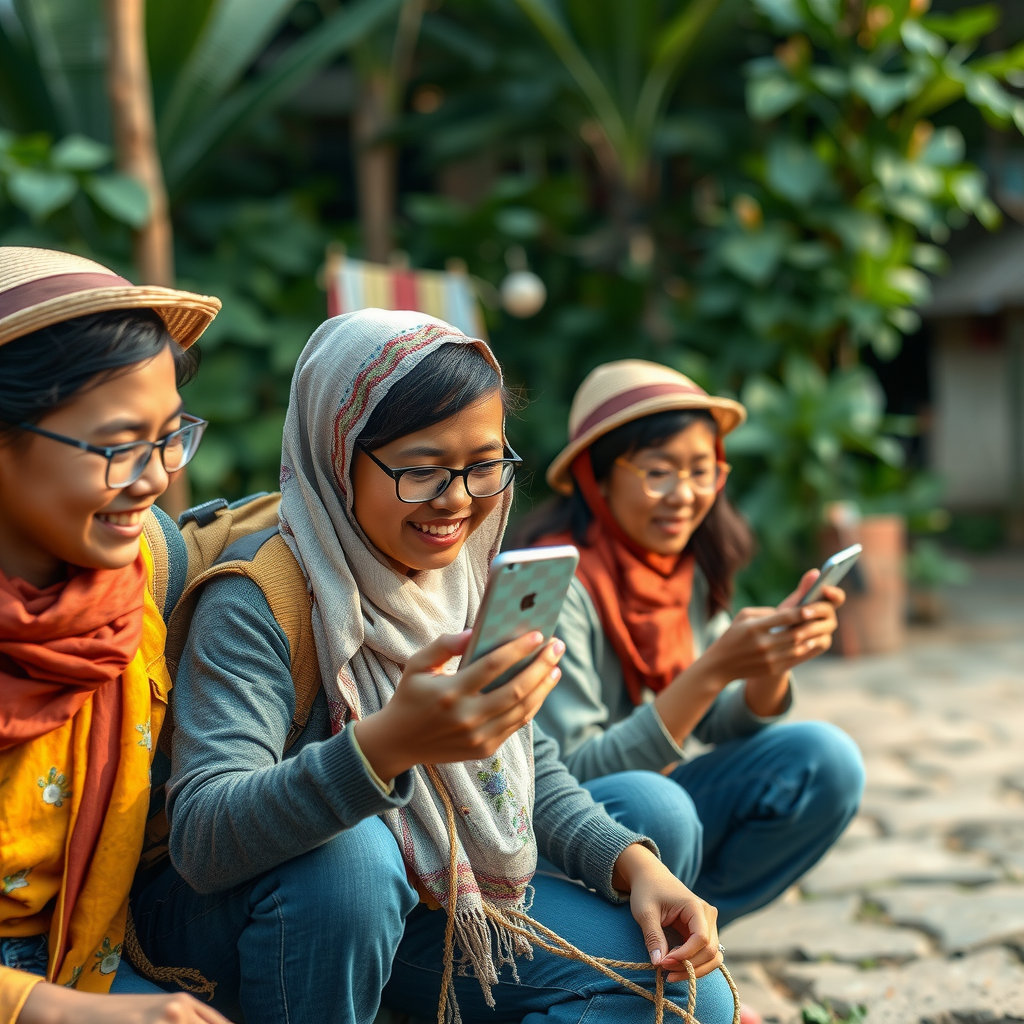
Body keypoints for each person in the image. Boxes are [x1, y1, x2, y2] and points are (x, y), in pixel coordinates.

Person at [132, 310, 738, 1024]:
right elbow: (203, 838)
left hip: (427, 894)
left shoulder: (462, 573)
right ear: (338, 457)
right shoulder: (260, 597)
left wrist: (634, 865)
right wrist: (386, 747)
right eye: (421, 471)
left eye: (484, 466)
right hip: (252, 914)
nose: (456, 499)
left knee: (686, 996)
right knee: (352, 862)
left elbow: (523, 762)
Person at [517, 359, 865, 926]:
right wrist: (712, 671)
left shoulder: (686, 568)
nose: (685, 495)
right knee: (660, 806)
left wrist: (770, 662)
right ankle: (638, 959)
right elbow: (570, 773)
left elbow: (719, 721)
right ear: (596, 478)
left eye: (703, 471)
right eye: (659, 472)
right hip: (580, 829)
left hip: (663, 805)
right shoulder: (556, 586)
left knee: (826, 760)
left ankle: (694, 940)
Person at [0, 247, 230, 1024]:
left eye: (169, 437)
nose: (157, 477)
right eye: (119, 446)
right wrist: (60, 1013)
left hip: (87, 958)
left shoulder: (140, 573)